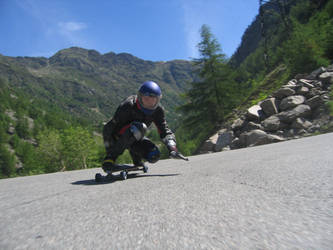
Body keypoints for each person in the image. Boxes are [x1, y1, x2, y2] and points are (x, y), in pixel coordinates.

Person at [102, 81, 178, 173]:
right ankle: (111, 158)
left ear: (158, 100)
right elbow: (109, 127)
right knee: (139, 127)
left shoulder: (158, 110)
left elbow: (164, 130)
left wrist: (172, 148)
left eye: (153, 100)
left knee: (154, 155)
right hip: (118, 137)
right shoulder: (128, 105)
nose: (149, 103)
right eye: (146, 99)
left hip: (136, 137)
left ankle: (137, 160)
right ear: (140, 97)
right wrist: (109, 156)